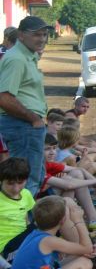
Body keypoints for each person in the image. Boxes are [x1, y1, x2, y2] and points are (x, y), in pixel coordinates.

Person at [0, 16, 51, 195]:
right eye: (36, 34)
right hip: (22, 126)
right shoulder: (17, 59)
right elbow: (4, 98)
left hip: (26, 126)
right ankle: (23, 214)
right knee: (26, 182)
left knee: (35, 178)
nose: (42, 39)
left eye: (44, 34)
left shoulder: (28, 56)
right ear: (21, 35)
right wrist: (34, 119)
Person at [42, 134, 96, 234]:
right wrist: (95, 181)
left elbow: (79, 170)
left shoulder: (48, 164)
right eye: (47, 149)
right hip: (41, 212)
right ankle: (69, 230)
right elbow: (68, 185)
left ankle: (93, 221)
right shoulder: (37, 169)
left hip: (50, 203)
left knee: (76, 174)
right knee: (69, 180)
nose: (52, 152)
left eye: (54, 148)